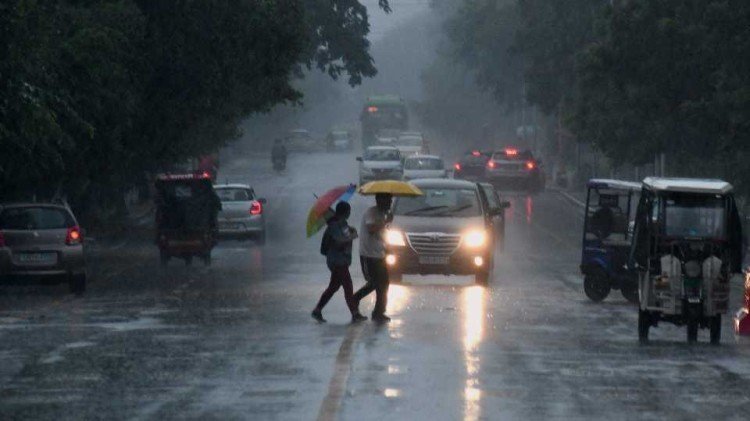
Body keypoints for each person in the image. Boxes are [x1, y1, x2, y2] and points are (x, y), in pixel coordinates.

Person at [312, 202, 367, 323]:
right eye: (349, 211)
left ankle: (317, 310)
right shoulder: (334, 226)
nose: (350, 213)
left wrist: (350, 231)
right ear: (345, 212)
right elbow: (339, 242)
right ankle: (355, 313)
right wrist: (352, 236)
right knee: (348, 286)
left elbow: (344, 235)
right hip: (338, 261)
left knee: (333, 287)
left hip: (341, 260)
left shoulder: (342, 224)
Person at [353, 193, 393, 323]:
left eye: (391, 200)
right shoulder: (371, 213)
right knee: (374, 283)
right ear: (379, 200)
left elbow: (380, 235)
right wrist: (385, 222)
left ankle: (379, 312)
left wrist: (386, 247)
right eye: (388, 200)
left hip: (379, 255)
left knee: (384, 283)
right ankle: (355, 299)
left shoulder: (382, 214)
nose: (390, 203)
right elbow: (371, 229)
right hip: (369, 255)